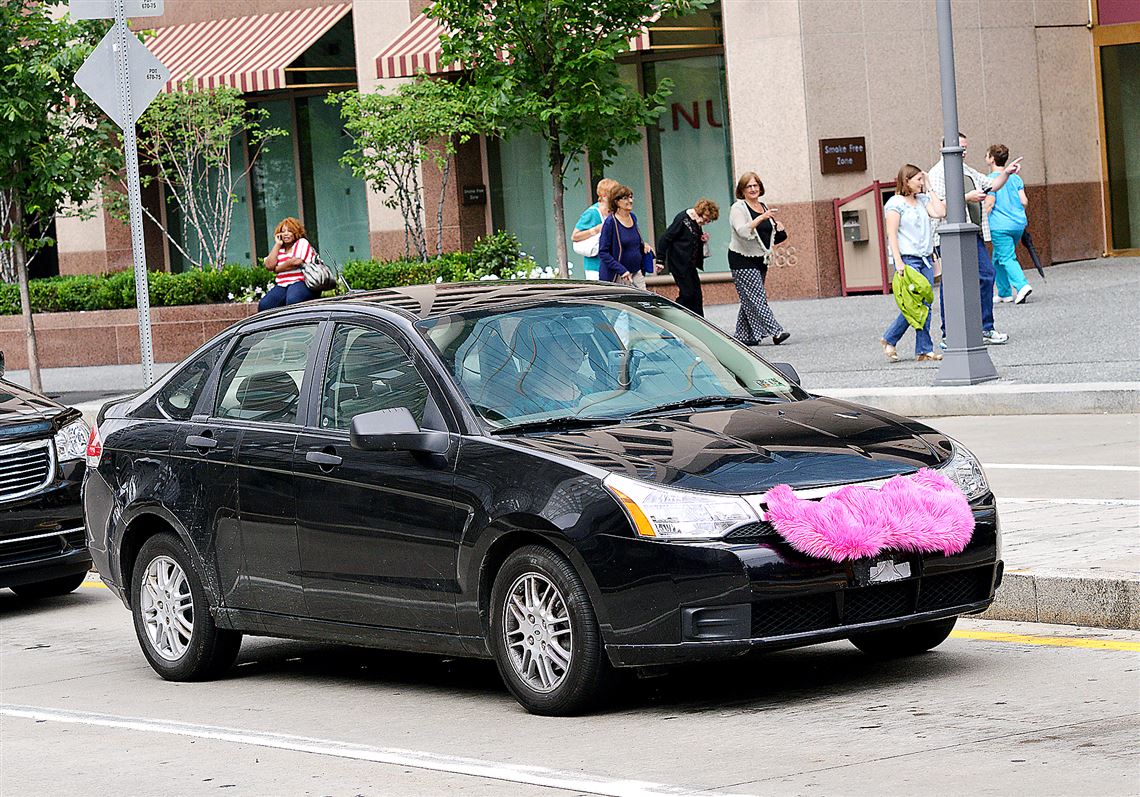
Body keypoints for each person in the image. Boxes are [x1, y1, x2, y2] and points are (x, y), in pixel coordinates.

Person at [927, 132, 1021, 346]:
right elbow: (939, 207)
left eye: (966, 147)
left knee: (986, 275)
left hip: (972, 232)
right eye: (960, 147)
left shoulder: (966, 170)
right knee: (951, 283)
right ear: (945, 148)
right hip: (948, 236)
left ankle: (985, 327)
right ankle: (949, 333)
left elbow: (989, 184)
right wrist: (967, 197)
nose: (964, 152)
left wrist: (1006, 173)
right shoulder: (938, 173)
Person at [879, 165, 947, 363]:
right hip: (909, 260)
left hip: (926, 258)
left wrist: (930, 186)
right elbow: (891, 234)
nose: (920, 183)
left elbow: (940, 211)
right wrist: (898, 262)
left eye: (921, 179)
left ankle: (892, 338)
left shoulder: (923, 200)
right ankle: (923, 349)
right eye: (917, 179)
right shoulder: (895, 204)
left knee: (921, 304)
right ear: (906, 181)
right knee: (917, 305)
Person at [728, 171, 789, 345]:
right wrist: (763, 217)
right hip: (741, 258)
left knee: (750, 297)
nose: (753, 189)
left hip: (760, 259)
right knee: (757, 297)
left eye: (756, 185)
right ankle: (776, 331)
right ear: (742, 190)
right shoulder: (738, 208)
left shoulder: (763, 206)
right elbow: (743, 231)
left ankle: (744, 336)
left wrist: (779, 228)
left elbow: (769, 238)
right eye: (749, 186)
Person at [655, 198, 720, 316]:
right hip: (678, 263)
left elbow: (691, 240)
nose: (705, 223)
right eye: (705, 219)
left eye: (708, 221)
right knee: (687, 294)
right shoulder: (683, 219)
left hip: (690, 264)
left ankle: (700, 322)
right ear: (700, 213)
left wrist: (702, 240)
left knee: (697, 295)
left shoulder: (697, 222)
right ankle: (672, 316)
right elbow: (666, 238)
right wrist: (660, 259)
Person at [984, 144, 1032, 304]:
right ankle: (1004, 292)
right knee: (997, 258)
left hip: (999, 226)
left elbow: (989, 204)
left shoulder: (990, 180)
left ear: (991, 159)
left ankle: (1022, 285)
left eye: (987, 155)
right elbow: (1024, 201)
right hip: (1018, 223)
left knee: (1006, 257)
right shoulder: (1016, 178)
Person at [597, 184, 653, 288]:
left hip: (636, 272)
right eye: (625, 198)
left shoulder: (633, 217)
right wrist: (621, 270)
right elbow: (603, 252)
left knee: (643, 301)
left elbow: (632, 241)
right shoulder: (611, 223)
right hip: (618, 276)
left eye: (631, 197)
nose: (630, 201)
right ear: (616, 202)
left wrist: (643, 245)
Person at [259, 217, 319, 312]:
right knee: (265, 305)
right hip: (282, 285)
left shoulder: (301, 243)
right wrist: (278, 244)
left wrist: (277, 269)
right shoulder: (279, 249)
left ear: (296, 232)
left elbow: (296, 262)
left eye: (290, 231)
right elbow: (269, 266)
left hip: (302, 282)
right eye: (283, 231)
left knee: (292, 300)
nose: (286, 234)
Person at [572, 178, 619, 279]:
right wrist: (596, 230)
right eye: (614, 194)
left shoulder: (615, 212)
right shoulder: (592, 213)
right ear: (604, 195)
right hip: (595, 266)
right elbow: (575, 236)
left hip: (613, 265)